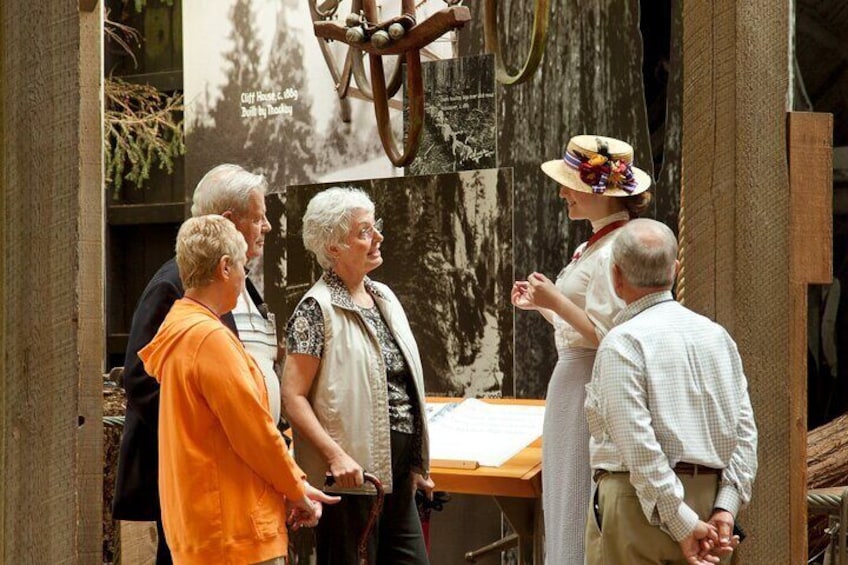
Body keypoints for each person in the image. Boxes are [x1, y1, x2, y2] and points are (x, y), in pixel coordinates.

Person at [138, 215, 338, 565]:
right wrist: (295, 488)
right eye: (244, 267)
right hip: (236, 531)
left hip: (204, 529)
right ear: (225, 267)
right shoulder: (209, 338)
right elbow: (254, 432)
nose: (246, 278)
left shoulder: (180, 331)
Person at [112, 164, 280, 563]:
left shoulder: (241, 281)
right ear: (227, 222)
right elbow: (140, 377)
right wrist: (205, 433)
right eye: (258, 218)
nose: (267, 227)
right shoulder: (174, 284)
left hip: (235, 476)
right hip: (197, 482)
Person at [511, 134, 652, 564]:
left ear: (600, 193)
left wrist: (555, 301)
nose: (563, 194)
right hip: (573, 376)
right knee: (564, 490)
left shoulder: (618, 246)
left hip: (589, 380)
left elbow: (610, 336)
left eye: (571, 185)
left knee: (577, 490)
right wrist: (544, 306)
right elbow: (581, 326)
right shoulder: (593, 243)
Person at [584, 219, 758, 565]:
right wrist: (726, 505)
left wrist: (680, 522)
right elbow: (745, 432)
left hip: (636, 503)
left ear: (616, 277)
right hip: (711, 508)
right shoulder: (717, 337)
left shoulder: (622, 343)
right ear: (676, 269)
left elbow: (637, 445)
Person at [281, 186, 434, 565]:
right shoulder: (315, 309)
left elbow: (398, 388)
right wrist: (335, 457)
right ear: (333, 247)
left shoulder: (383, 296)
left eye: (375, 226)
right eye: (365, 231)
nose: (378, 237)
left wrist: (413, 465)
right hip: (353, 482)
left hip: (395, 476)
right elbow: (292, 395)